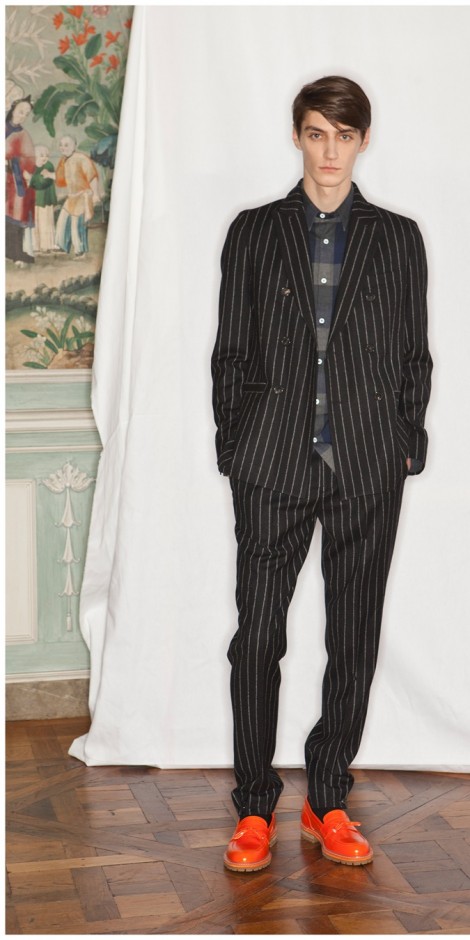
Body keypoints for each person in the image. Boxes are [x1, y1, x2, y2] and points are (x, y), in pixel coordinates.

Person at [211, 75, 432, 872]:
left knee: (354, 638)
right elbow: (231, 351)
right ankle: (253, 807)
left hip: (367, 465)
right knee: (257, 639)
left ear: (363, 140)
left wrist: (405, 443)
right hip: (271, 462)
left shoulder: (399, 238)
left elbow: (413, 354)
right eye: (316, 133)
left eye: (343, 136)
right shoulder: (254, 231)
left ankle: (327, 799)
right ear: (297, 136)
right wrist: (235, 445)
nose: (329, 151)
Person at [54, 135, 100, 258]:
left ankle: (80, 251)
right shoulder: (63, 161)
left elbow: (92, 176)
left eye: (66, 145)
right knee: (62, 221)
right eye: (61, 145)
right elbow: (60, 180)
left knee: (76, 224)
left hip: (82, 196)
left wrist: (95, 194)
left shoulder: (81, 158)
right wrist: (48, 175)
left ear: (74, 146)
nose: (63, 147)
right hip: (71, 197)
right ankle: (62, 246)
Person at [5, 94, 36, 266]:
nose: (23, 116)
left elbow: (29, 158)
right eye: (21, 111)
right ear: (12, 108)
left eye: (26, 114)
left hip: (13, 179)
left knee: (14, 214)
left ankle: (14, 252)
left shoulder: (23, 135)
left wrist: (15, 164)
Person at [25, 144, 58, 253]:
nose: (45, 157)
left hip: (45, 200)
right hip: (34, 200)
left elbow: (42, 182)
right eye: (41, 155)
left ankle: (46, 246)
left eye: (46, 155)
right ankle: (36, 246)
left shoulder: (48, 166)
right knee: (35, 222)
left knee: (45, 222)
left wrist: (31, 178)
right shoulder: (31, 166)